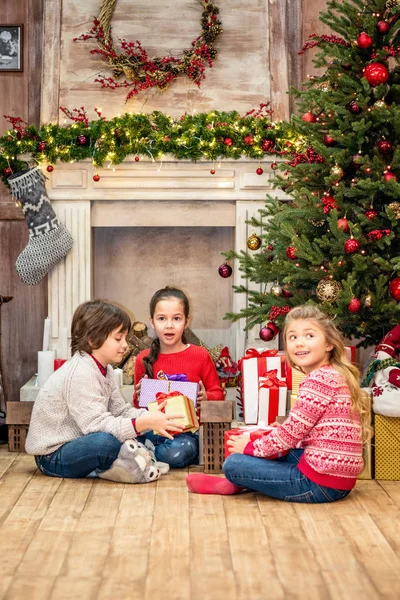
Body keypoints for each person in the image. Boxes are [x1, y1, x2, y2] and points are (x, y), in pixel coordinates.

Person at [186, 304, 372, 503]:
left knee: (234, 463)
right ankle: (244, 480)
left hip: (318, 484)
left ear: (329, 344)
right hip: (338, 480)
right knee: (278, 450)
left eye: (309, 336)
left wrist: (249, 448)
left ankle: (235, 481)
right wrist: (279, 434)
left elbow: (289, 436)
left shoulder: (318, 380)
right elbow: (316, 433)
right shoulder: (333, 374)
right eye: (293, 337)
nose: (299, 343)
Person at [25, 300, 184, 482]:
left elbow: (120, 410)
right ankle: (128, 463)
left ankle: (128, 461)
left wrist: (147, 415)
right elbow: (96, 426)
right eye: (118, 338)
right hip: (52, 456)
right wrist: (141, 423)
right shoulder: (81, 372)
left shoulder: (104, 369)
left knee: (135, 432)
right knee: (105, 442)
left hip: (79, 441)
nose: (125, 345)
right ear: (93, 340)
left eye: (125, 338)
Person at [134, 286, 224, 468]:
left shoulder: (200, 355)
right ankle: (145, 451)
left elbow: (218, 394)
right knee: (124, 438)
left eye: (176, 318)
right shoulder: (142, 359)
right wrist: (138, 396)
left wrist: (206, 398)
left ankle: (145, 454)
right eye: (162, 319)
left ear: (186, 321)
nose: (169, 325)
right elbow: (138, 408)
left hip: (186, 432)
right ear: (152, 322)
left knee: (179, 451)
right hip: (152, 429)